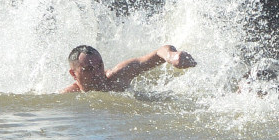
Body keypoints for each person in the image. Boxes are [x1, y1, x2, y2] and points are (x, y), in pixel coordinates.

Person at [61, 44, 196, 93]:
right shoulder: (69, 95)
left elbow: (158, 53)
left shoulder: (117, 76)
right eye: (89, 69)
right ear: (73, 74)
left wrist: (172, 56)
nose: (98, 73)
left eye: (99, 66)